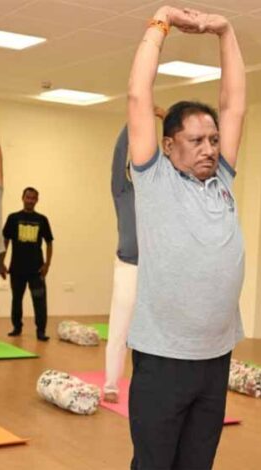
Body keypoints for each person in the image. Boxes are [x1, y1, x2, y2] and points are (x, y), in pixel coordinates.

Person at [126, 6, 246, 469]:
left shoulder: (222, 180)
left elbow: (233, 104)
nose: (209, 149)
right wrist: (162, 21)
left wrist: (226, 32)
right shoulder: (155, 180)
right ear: (169, 145)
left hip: (215, 357)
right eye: (196, 141)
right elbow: (139, 96)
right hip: (164, 359)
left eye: (213, 140)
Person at [102, 107, 165, 404]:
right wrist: (135, 119)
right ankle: (111, 385)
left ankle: (154, 384)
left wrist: (169, 123)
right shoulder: (122, 191)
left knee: (156, 331)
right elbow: (118, 154)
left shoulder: (160, 194)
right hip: (128, 267)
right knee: (120, 328)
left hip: (156, 269)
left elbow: (171, 163)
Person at [2, 187, 54, 341]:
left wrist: (47, 265)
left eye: (33, 198)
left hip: (36, 270)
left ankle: (41, 331)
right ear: (22, 198)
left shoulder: (42, 220)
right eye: (28, 197)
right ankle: (17, 327)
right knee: (16, 299)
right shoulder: (13, 218)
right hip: (17, 269)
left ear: (37, 200)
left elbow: (49, 243)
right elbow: (5, 241)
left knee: (39, 301)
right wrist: (1, 262)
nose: (30, 201)